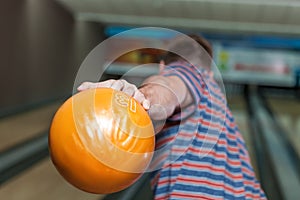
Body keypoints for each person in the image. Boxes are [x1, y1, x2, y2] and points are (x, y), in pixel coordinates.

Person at [77, 34, 266, 199]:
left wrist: (136, 99)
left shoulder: (186, 73)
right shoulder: (218, 103)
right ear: (210, 70)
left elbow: (167, 89)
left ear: (161, 67)